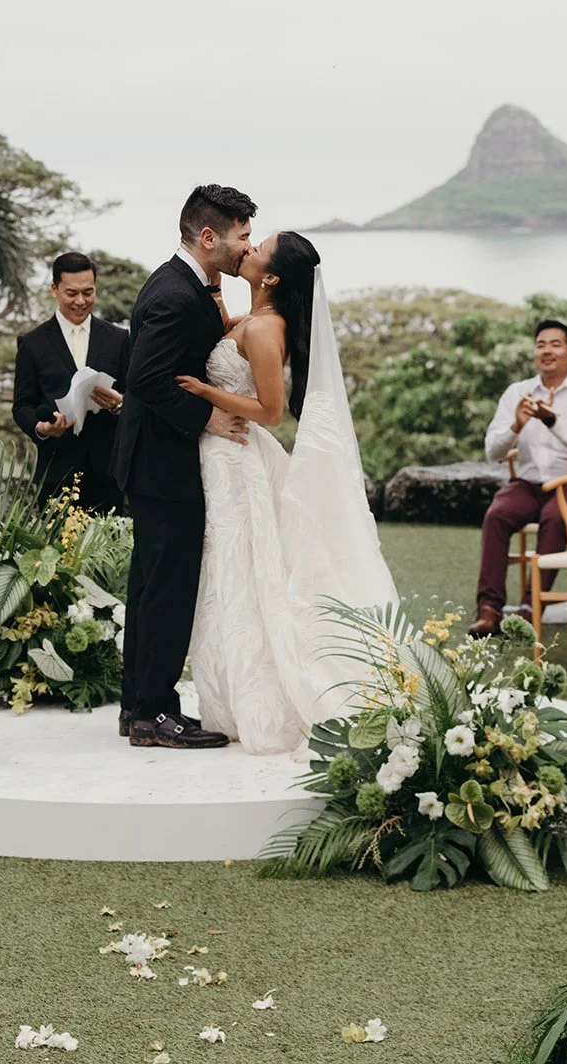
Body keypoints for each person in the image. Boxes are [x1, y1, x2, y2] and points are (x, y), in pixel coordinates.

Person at [178, 231, 398, 755]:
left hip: (237, 454)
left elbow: (272, 411)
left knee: (243, 572)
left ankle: (259, 702)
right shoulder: (253, 320)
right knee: (234, 572)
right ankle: (231, 697)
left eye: (258, 249)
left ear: (272, 276)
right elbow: (229, 331)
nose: (248, 250)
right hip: (226, 454)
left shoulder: (266, 328)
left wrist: (206, 392)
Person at [113, 184, 254, 749]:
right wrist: (206, 418)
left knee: (149, 590)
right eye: (241, 236)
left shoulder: (179, 282)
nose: (246, 247)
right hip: (162, 464)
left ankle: (136, 708)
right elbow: (145, 378)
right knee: (166, 591)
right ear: (208, 236)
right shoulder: (175, 294)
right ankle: (154, 714)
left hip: (149, 459)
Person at [470, 320, 567, 638]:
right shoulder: (516, 393)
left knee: (555, 518)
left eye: (555, 344)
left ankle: (531, 609)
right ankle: (488, 610)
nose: (547, 351)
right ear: (534, 352)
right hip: (528, 482)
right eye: (541, 344)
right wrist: (516, 427)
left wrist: (552, 420)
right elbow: (492, 451)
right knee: (497, 514)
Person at [12, 253, 130, 512]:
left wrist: (119, 404)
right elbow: (22, 405)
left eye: (88, 293)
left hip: (108, 476)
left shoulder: (119, 339)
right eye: (71, 293)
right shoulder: (32, 343)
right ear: (54, 289)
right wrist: (41, 428)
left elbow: (136, 396)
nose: (80, 301)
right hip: (56, 474)